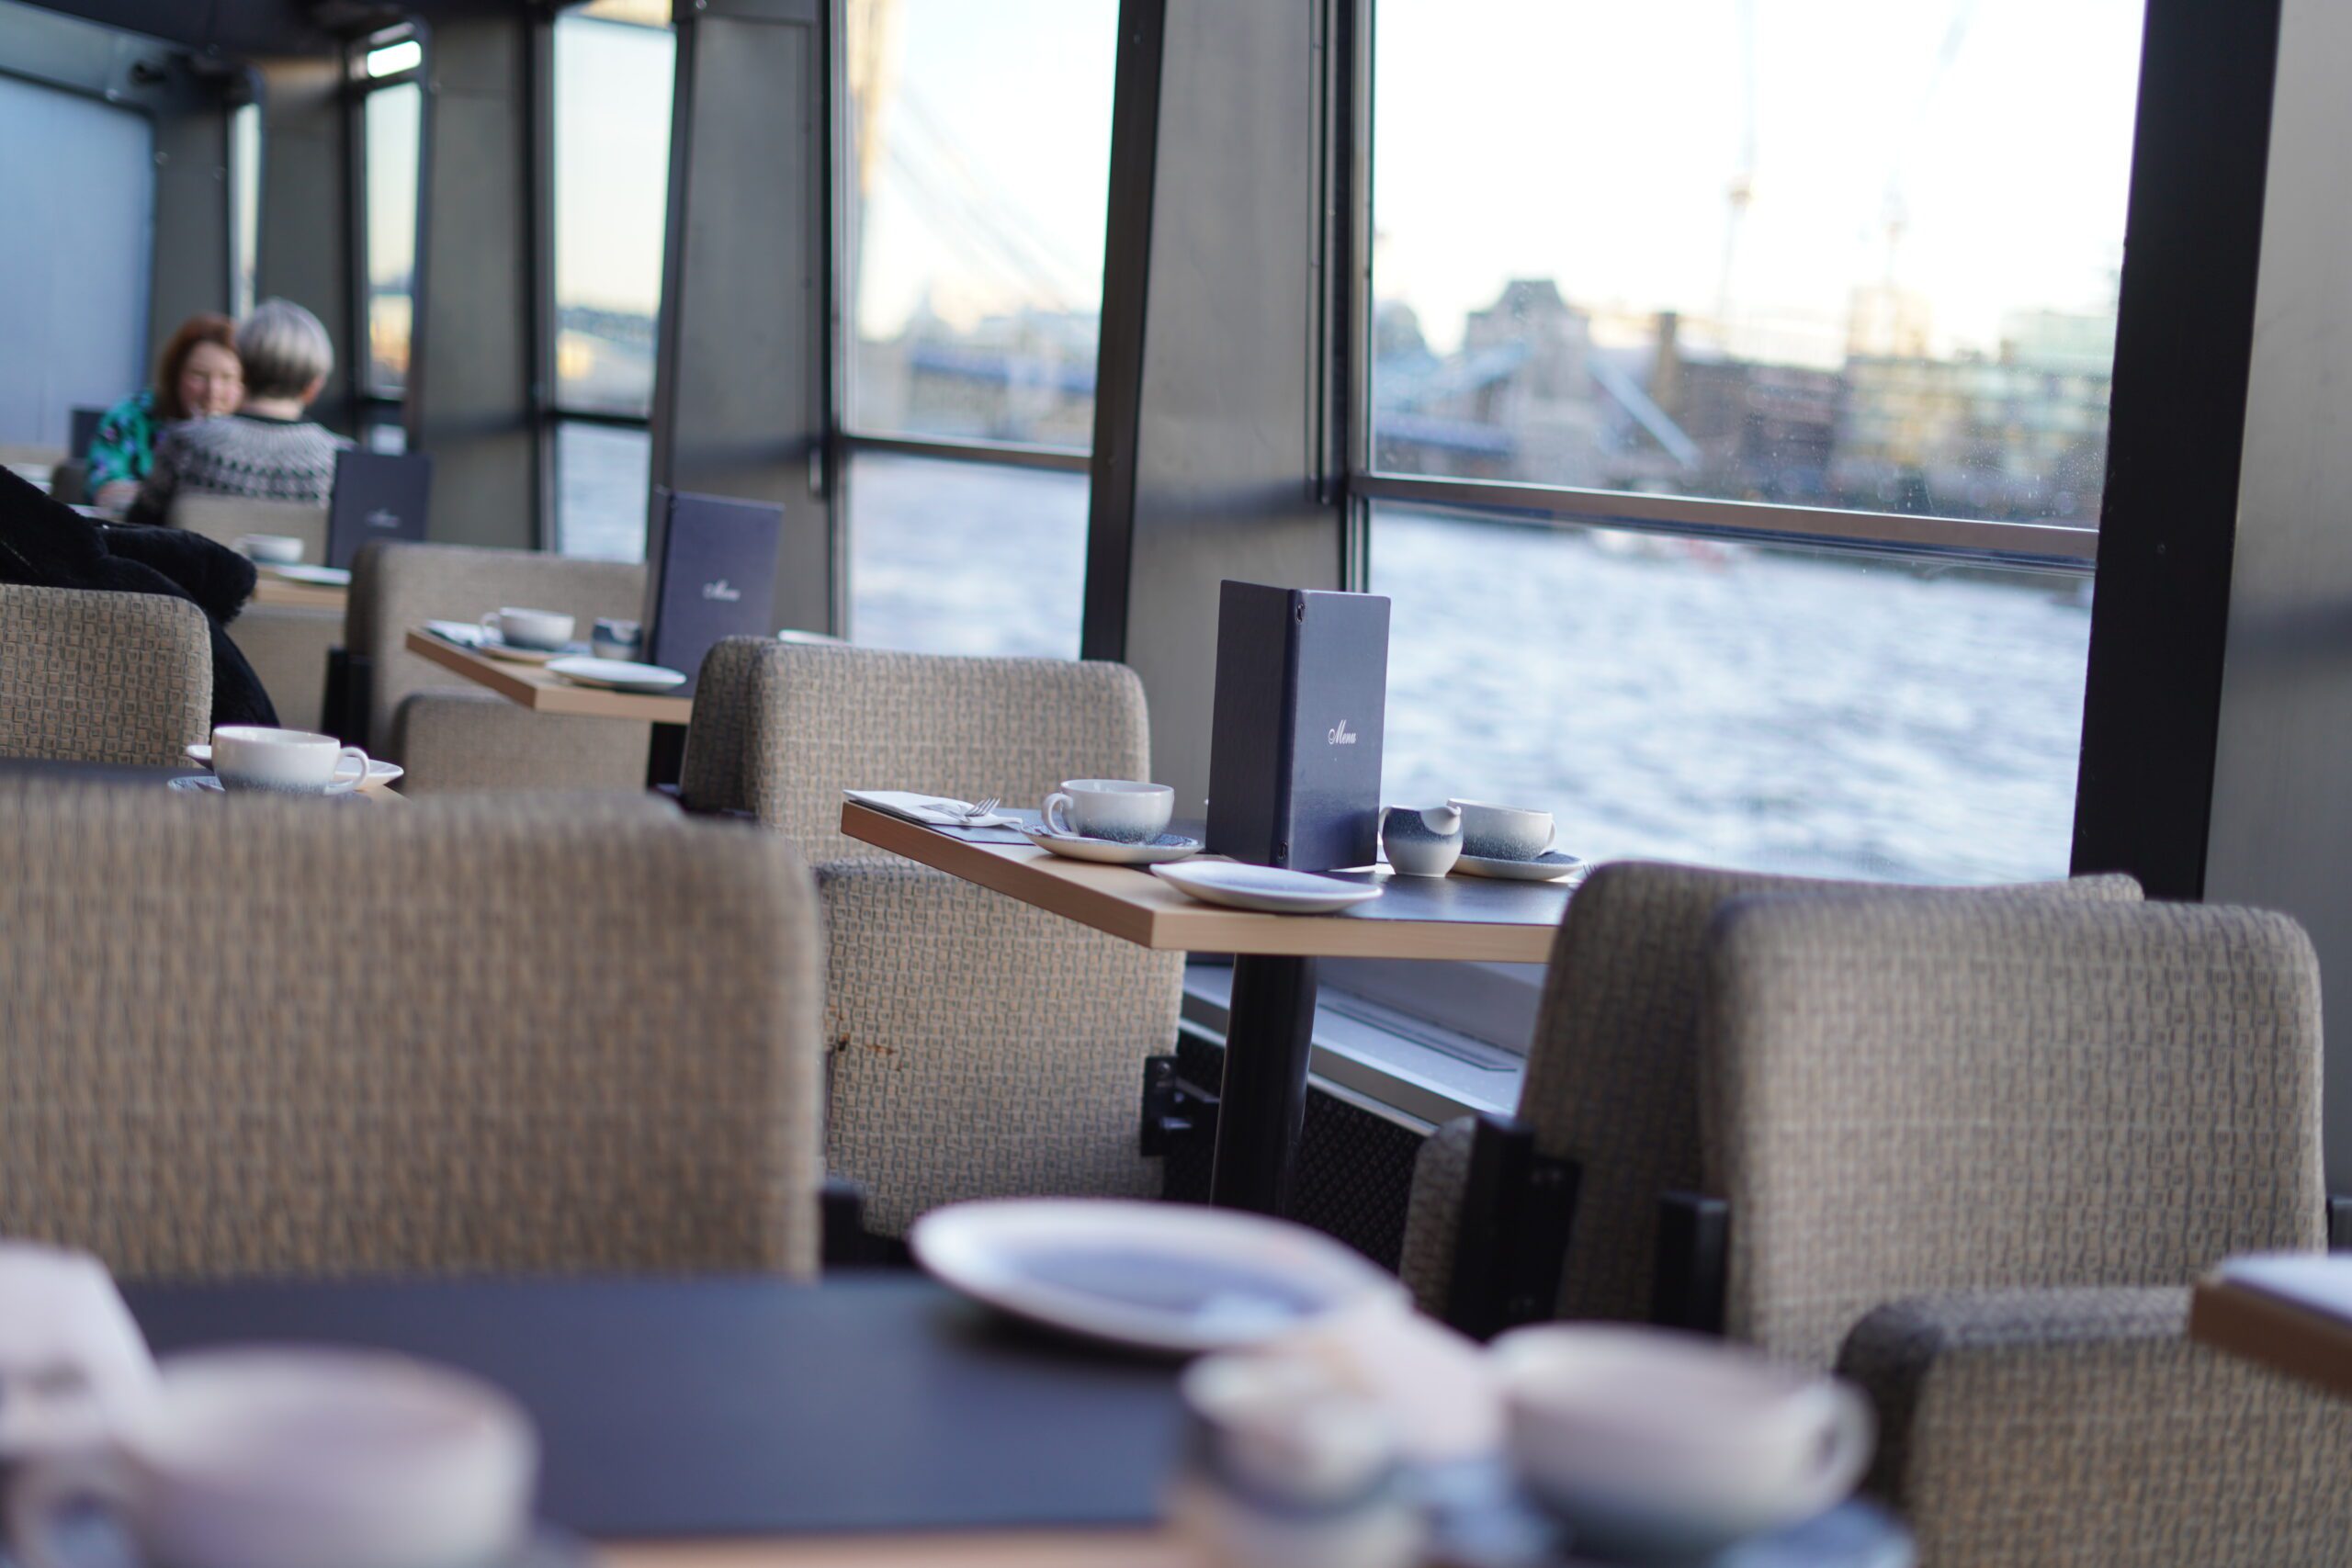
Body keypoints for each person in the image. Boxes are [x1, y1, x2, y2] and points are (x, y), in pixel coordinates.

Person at [128, 299, 350, 525]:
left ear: (241, 371)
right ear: (313, 387)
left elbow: (140, 529)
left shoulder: (186, 444)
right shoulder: (343, 462)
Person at [84, 315, 244, 511]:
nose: (213, 392)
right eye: (199, 375)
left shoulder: (255, 432)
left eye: (227, 378)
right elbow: (104, 491)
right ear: (176, 375)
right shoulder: (133, 415)